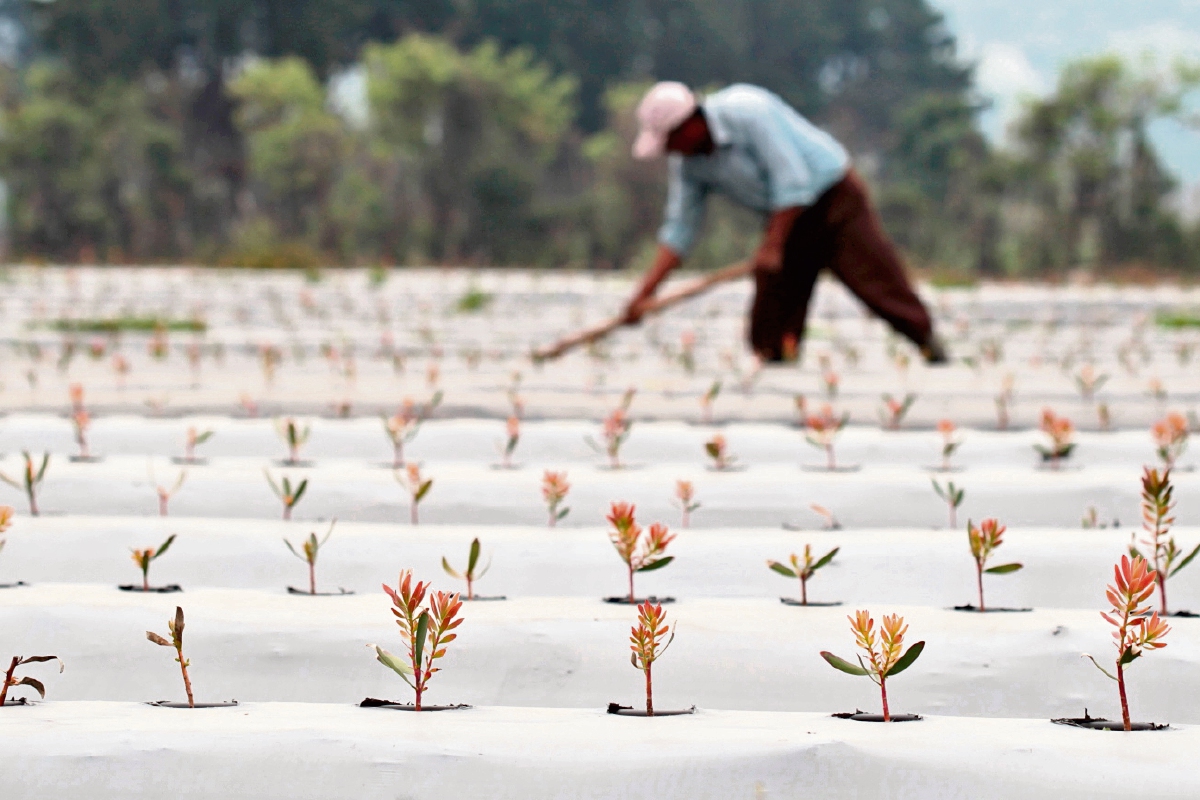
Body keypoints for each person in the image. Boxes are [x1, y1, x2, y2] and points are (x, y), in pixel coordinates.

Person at [622, 81, 947, 364]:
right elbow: (680, 231)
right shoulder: (688, 164)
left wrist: (773, 245)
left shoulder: (748, 111)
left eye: (669, 141)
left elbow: (792, 181)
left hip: (832, 198)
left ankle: (928, 342)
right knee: (771, 310)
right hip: (786, 218)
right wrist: (644, 296)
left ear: (689, 125)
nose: (668, 151)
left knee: (875, 279)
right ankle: (776, 357)